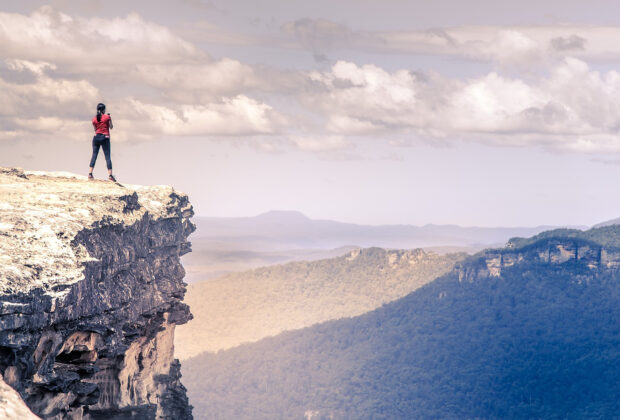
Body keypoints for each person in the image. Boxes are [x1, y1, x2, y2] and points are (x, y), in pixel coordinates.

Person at [88, 103, 117, 182]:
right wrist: (109, 119)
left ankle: (90, 173)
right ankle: (110, 175)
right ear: (104, 109)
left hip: (96, 137)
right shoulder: (107, 117)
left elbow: (95, 129)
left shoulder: (94, 119)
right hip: (105, 138)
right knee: (107, 157)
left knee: (94, 155)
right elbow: (111, 127)